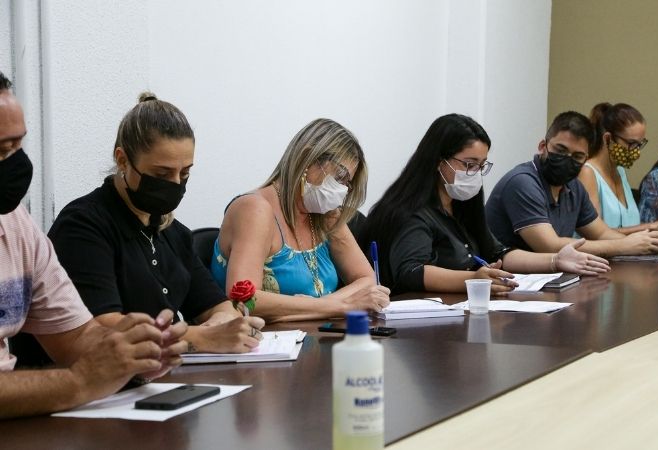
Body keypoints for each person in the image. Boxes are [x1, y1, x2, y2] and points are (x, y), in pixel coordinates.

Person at [0, 71, 187, 418]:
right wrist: (79, 381)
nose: (16, 163)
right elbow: (80, 374)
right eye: (1, 150)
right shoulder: (85, 222)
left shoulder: (16, 224)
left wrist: (135, 352)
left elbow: (76, 337)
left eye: (18, 146)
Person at [48, 92, 264, 354]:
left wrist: (223, 322)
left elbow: (216, 306)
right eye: (161, 174)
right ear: (123, 160)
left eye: (185, 173)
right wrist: (202, 337)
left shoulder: (173, 233)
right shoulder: (83, 226)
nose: (175, 184)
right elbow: (101, 328)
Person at [360, 114, 610, 295]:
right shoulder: (410, 211)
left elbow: (498, 253)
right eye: (469, 164)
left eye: (481, 166)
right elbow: (411, 271)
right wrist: (474, 279)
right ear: (438, 161)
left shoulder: (462, 205)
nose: (475, 173)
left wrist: (554, 261)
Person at [212, 118, 390, 322]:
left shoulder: (326, 214)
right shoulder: (254, 209)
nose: (342, 189)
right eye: (339, 176)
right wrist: (342, 306)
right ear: (307, 158)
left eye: (346, 183)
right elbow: (243, 299)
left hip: (316, 334)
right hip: (266, 339)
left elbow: (367, 280)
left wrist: (324, 307)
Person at [486, 111, 658, 257]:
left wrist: (646, 243)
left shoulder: (574, 186)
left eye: (577, 156)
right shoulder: (523, 182)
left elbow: (601, 234)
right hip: (507, 280)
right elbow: (549, 246)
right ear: (543, 146)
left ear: (586, 158)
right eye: (560, 150)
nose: (567, 159)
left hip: (551, 277)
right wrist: (623, 245)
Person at [578, 102, 658, 233]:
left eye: (639, 144)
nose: (636, 151)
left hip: (630, 247)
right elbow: (595, 233)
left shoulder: (620, 171)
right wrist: (652, 226)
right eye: (631, 143)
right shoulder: (587, 172)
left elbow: (630, 226)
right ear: (608, 139)